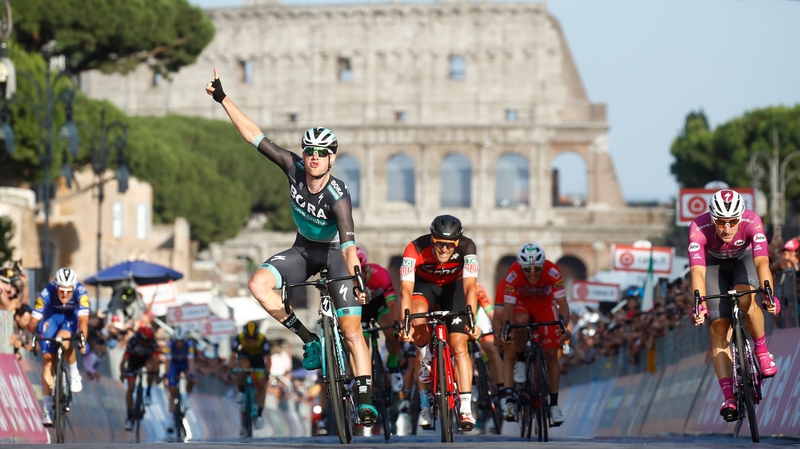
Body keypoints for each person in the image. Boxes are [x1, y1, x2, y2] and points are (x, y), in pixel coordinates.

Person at [205, 69, 376, 425]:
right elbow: (254, 136)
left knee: (352, 331)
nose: (313, 157)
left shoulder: (338, 196)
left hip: (337, 256)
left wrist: (357, 278)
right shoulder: (294, 168)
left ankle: (364, 394)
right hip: (302, 249)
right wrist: (223, 99)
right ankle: (309, 338)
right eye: (309, 151)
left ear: (332, 158)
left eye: (322, 152)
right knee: (257, 285)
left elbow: (348, 245)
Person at [689, 189, 780, 422]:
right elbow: (697, 271)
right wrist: (699, 304)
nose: (727, 229)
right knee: (719, 327)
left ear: (740, 217)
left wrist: (769, 293)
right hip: (712, 266)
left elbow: (761, 262)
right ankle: (729, 396)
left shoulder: (752, 221)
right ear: (712, 218)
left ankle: (761, 350)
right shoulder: (698, 228)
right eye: (720, 222)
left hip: (744, 260)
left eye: (732, 222)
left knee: (746, 299)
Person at [397, 214, 481, 431]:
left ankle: (465, 409)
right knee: (417, 318)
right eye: (439, 244)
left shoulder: (468, 247)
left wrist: (471, 319)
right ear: (432, 239)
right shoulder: (414, 248)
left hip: (453, 290)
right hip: (425, 288)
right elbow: (405, 290)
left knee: (459, 346)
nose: (444, 250)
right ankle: (425, 362)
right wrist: (405, 323)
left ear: (457, 243)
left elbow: (471, 287)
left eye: (449, 246)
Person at [499, 243, 571, 426]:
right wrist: (509, 328)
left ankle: (553, 405)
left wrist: (564, 327)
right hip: (522, 304)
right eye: (528, 270)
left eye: (536, 269)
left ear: (543, 266)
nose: (532, 273)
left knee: (552, 355)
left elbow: (562, 304)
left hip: (544, 305)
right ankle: (521, 360)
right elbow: (508, 308)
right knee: (520, 320)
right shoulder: (513, 273)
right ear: (521, 267)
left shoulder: (553, 271)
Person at [27, 267, 89, 426]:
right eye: (61, 290)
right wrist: (32, 330)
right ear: (56, 286)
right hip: (51, 319)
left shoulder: (81, 291)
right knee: (48, 360)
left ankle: (75, 374)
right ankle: (47, 409)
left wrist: (82, 340)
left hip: (70, 319)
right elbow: (33, 321)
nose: (64, 295)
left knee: (64, 339)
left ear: (74, 288)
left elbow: (83, 321)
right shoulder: (47, 292)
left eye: (69, 291)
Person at [357, 246, 403, 393]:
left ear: (365, 269)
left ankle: (393, 364)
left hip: (379, 305)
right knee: (361, 346)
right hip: (361, 309)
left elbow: (392, 304)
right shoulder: (346, 280)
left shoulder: (380, 274)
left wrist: (396, 324)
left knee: (390, 331)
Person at [228, 321, 270, 432]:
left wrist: (267, 373)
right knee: (243, 366)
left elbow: (268, 359)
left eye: (253, 339)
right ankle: (241, 391)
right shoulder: (239, 338)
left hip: (258, 359)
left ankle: (259, 414)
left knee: (261, 385)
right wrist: (230, 370)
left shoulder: (262, 339)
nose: (251, 341)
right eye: (248, 338)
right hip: (245, 356)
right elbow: (233, 356)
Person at [119, 325, 160, 431]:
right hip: (133, 361)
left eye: (151, 342)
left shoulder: (152, 343)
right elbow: (124, 359)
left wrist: (156, 373)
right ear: (141, 339)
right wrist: (122, 372)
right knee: (131, 387)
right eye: (147, 342)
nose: (149, 344)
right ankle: (129, 416)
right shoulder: (133, 341)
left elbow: (156, 360)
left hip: (146, 359)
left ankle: (148, 393)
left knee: (151, 368)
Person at [163, 326, 195, 437]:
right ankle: (170, 420)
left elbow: (191, 361)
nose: (179, 344)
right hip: (174, 365)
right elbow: (167, 360)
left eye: (181, 341)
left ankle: (186, 398)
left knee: (192, 378)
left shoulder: (189, 344)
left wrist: (190, 374)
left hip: (185, 363)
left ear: (184, 340)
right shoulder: (170, 344)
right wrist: (166, 373)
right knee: (172, 390)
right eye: (177, 341)